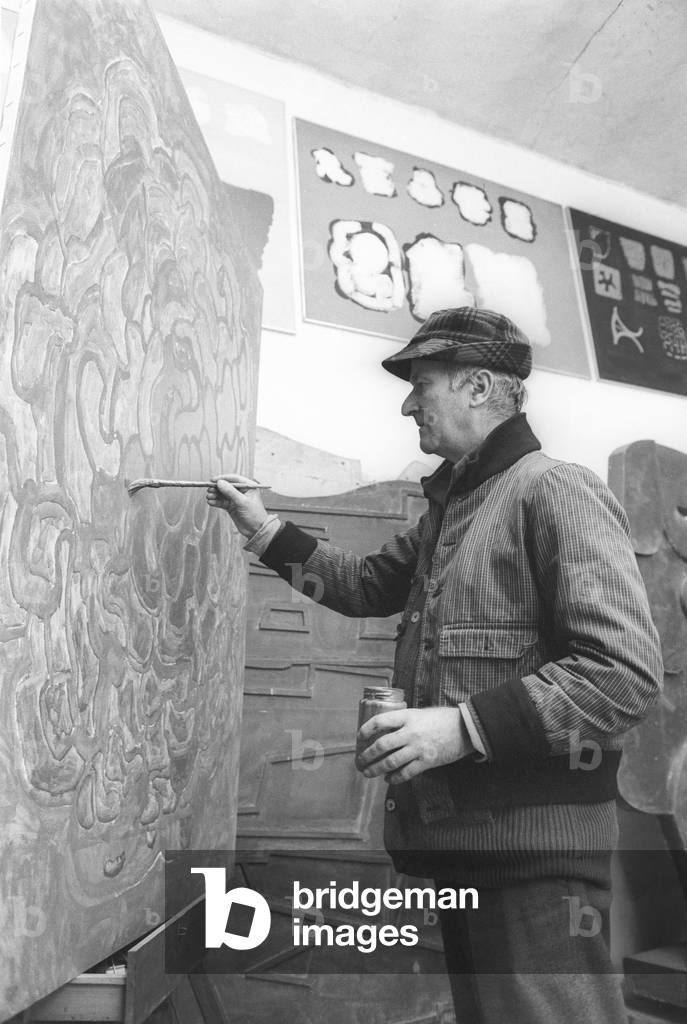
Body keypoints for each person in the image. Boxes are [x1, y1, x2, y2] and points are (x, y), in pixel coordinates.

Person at [206, 307, 663, 1023]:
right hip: (466, 847)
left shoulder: (554, 489)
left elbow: (621, 675)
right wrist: (261, 527)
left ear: (479, 386)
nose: (407, 402)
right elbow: (358, 585)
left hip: (535, 861)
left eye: (423, 383)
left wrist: (460, 728)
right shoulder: (453, 506)